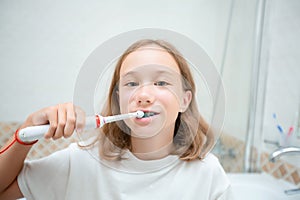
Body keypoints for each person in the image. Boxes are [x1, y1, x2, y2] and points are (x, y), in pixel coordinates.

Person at [0, 39, 233, 199]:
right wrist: (28, 129)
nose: (143, 96)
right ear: (119, 99)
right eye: (132, 83)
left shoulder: (208, 174)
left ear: (185, 100)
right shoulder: (79, 163)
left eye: (161, 82)